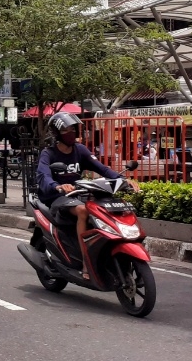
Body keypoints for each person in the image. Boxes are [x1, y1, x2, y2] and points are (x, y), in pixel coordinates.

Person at [36, 112, 138, 280]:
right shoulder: (49, 153)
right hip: (56, 197)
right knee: (83, 211)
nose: (71, 133)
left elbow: (102, 169)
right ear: (56, 133)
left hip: (78, 194)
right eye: (66, 130)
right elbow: (43, 176)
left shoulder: (80, 150)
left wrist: (124, 180)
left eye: (73, 129)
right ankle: (86, 263)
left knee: (101, 210)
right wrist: (58, 186)